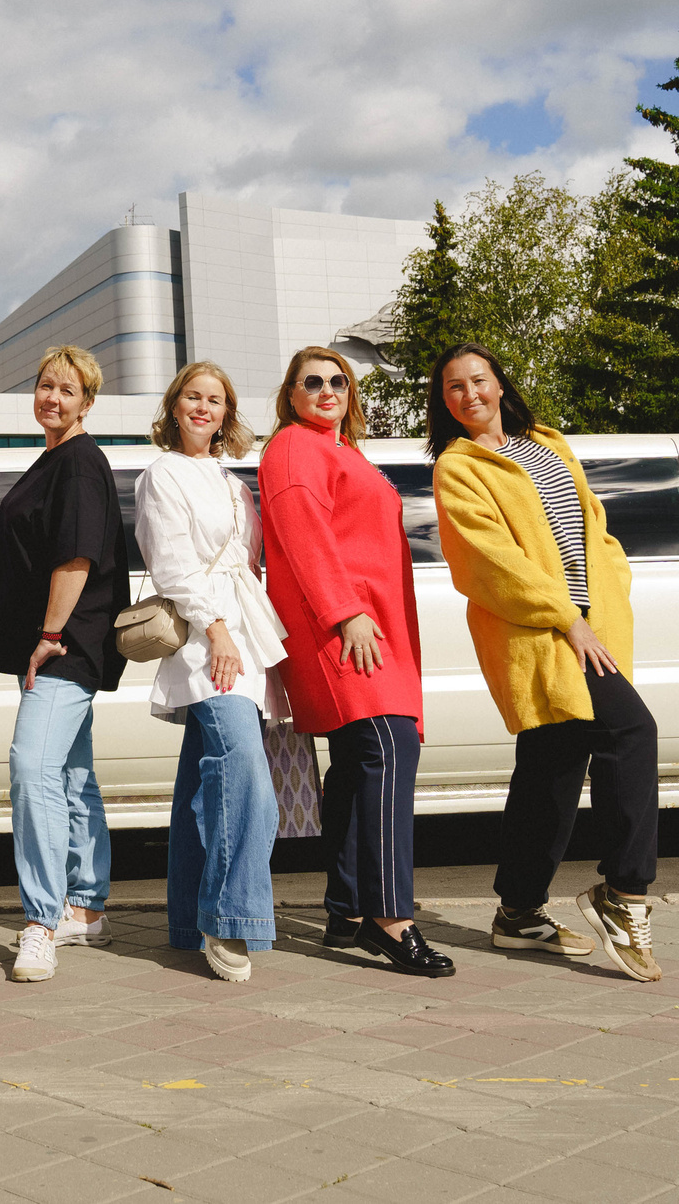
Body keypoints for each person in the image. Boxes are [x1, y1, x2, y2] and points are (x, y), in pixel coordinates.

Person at [430, 342, 661, 982]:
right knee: (633, 732)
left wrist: (612, 592)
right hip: (543, 636)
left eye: (478, 380)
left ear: (500, 383)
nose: (469, 394)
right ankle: (625, 893)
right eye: (454, 387)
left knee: (552, 767)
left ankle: (518, 912)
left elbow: (596, 528)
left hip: (593, 628)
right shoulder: (458, 468)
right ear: (443, 402)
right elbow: (489, 564)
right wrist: (568, 619)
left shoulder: (549, 444)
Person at [259, 345, 453, 978]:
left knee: (353, 764)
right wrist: (344, 612)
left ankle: (344, 908)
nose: (325, 390)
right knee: (386, 750)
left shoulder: (344, 450)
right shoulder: (293, 446)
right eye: (310, 381)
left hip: (374, 627)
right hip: (344, 628)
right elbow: (302, 534)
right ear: (290, 395)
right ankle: (388, 915)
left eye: (337, 380)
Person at [135, 360, 287, 982]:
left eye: (216, 401)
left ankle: (183, 920)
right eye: (193, 398)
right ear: (175, 407)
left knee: (201, 785)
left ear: (227, 414)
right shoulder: (161, 474)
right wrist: (217, 630)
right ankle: (230, 920)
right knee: (244, 772)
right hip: (207, 637)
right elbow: (171, 564)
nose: (204, 408)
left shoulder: (231, 480)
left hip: (245, 632)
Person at [0, 345, 131, 983]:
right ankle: (86, 906)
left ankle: (41, 923)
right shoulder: (54, 459)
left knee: (33, 769)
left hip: (66, 646)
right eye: (45, 385)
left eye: (67, 390)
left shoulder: (77, 463)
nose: (52, 397)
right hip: (62, 645)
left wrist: (49, 633)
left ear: (87, 402)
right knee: (72, 775)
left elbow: (75, 558)